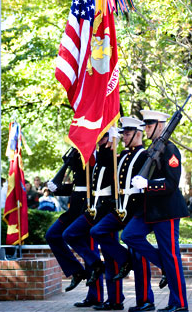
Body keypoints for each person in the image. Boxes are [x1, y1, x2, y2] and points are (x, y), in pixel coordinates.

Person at [121, 110, 189, 312]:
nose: (146, 129)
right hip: (149, 211)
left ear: (161, 125)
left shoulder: (170, 149)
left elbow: (171, 182)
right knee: (130, 235)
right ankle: (164, 264)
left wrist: (148, 184)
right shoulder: (153, 148)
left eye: (149, 126)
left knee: (172, 256)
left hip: (166, 211)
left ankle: (179, 304)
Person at [87, 118, 155, 312]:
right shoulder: (123, 155)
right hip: (120, 208)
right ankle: (124, 259)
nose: (123, 136)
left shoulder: (145, 155)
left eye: (127, 133)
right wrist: (107, 143)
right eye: (123, 133)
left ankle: (145, 301)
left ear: (138, 134)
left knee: (139, 256)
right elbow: (106, 164)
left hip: (136, 209)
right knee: (97, 231)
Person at [62, 130, 125, 310]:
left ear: (110, 138)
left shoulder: (113, 157)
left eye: (102, 138)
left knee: (112, 257)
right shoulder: (101, 157)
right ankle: (106, 293)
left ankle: (115, 299)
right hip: (96, 208)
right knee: (71, 235)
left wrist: (111, 143)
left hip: (108, 210)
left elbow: (107, 163)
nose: (99, 141)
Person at [46, 148, 104, 308]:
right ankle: (77, 271)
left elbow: (89, 186)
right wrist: (57, 188)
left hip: (88, 209)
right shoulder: (79, 154)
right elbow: (77, 186)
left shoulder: (93, 156)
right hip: (73, 211)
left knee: (90, 252)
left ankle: (96, 295)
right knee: (52, 235)